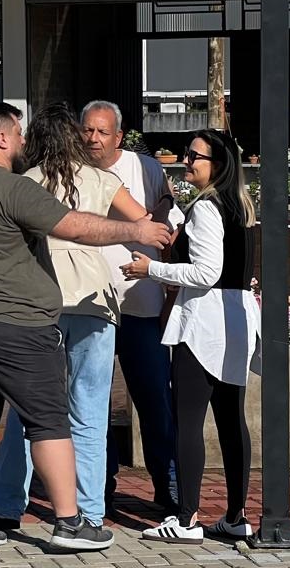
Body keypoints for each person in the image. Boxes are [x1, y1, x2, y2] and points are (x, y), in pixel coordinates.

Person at [0, 101, 170, 553]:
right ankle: (71, 523)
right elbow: (75, 227)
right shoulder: (13, 188)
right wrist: (135, 231)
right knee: (49, 423)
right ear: (2, 137)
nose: (23, 141)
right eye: (18, 133)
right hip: (17, 324)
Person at [0, 103, 150, 532]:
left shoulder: (24, 183)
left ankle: (5, 506)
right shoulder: (103, 180)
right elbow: (145, 222)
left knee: (27, 412)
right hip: (95, 303)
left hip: (40, 303)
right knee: (89, 414)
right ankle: (89, 512)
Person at [122, 130, 260, 544]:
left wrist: (151, 269)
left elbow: (205, 272)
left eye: (194, 155)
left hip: (203, 323)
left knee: (187, 421)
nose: (186, 160)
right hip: (236, 319)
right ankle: (235, 515)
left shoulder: (207, 207)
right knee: (231, 420)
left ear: (216, 164)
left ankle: (185, 519)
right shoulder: (241, 205)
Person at [81, 100, 182, 513]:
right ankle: (99, 487)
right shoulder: (71, 172)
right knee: (94, 404)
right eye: (88, 130)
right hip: (92, 308)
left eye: (102, 131)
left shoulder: (146, 168)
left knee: (156, 401)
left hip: (142, 306)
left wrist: (170, 290)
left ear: (118, 136)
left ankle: (168, 484)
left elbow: (169, 223)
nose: (94, 138)